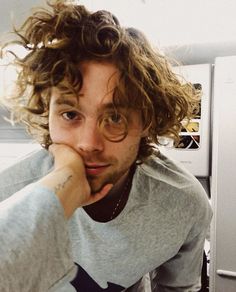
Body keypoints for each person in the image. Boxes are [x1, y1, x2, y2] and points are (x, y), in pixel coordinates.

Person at [0, 1, 212, 291]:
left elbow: (179, 288)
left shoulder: (183, 202)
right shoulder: (8, 192)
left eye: (114, 117)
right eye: (70, 114)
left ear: (146, 119)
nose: (89, 143)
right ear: (47, 114)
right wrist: (55, 199)